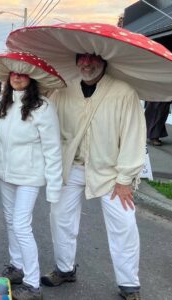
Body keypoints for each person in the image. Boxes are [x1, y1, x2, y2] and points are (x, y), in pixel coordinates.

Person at [41, 53, 145, 300]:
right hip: (72, 166)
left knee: (124, 223)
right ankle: (65, 269)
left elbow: (133, 134)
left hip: (111, 172)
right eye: (82, 59)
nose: (87, 64)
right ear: (77, 62)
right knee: (60, 218)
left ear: (104, 62)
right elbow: (47, 126)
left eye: (93, 59)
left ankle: (129, 284)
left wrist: (125, 178)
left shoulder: (123, 92)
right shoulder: (63, 90)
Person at [0, 52, 64, 300]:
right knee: (10, 221)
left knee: (21, 224)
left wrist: (54, 187)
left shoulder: (43, 107)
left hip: (30, 175)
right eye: (14, 73)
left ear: (31, 78)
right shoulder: (0, 103)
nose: (18, 77)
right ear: (8, 76)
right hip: (6, 173)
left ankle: (32, 284)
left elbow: (52, 148)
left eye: (23, 73)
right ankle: (16, 267)